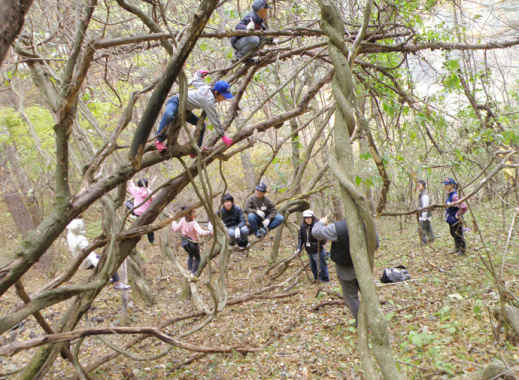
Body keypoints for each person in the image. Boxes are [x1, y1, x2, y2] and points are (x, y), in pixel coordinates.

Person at [155, 70, 234, 152]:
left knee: (202, 126)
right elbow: (215, 120)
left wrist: (199, 73)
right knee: (169, 115)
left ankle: (195, 149)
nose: (224, 98)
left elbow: (196, 80)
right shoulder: (208, 101)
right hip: (176, 102)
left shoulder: (206, 88)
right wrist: (223, 136)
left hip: (186, 111)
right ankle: (159, 141)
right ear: (216, 92)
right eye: (224, 96)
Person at [312, 216, 359, 326]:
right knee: (365, 295)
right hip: (364, 268)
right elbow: (376, 244)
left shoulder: (339, 228)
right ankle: (369, 320)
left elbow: (316, 232)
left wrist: (321, 222)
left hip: (346, 270)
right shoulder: (366, 224)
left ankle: (362, 323)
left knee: (351, 297)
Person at [66, 218, 130, 290]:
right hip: (88, 261)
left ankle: (107, 279)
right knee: (109, 262)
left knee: (101, 262)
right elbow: (90, 255)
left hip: (81, 262)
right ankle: (116, 283)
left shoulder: (70, 235)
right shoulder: (81, 240)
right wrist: (101, 266)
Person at [172, 208, 212, 274]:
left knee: (190, 255)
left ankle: (189, 271)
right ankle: (193, 273)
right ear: (190, 214)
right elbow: (201, 232)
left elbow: (175, 228)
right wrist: (209, 232)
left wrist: (173, 221)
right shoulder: (194, 223)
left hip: (184, 243)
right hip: (193, 243)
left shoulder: (182, 220)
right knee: (198, 258)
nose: (195, 214)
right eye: (194, 213)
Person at [295, 210, 329, 282]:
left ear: (312, 217)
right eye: (306, 218)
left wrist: (317, 244)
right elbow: (300, 238)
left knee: (322, 266)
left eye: (309, 218)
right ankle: (317, 279)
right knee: (313, 267)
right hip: (309, 251)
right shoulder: (303, 226)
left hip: (318, 250)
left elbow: (324, 239)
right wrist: (299, 248)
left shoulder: (317, 225)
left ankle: (325, 281)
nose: (308, 219)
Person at [443, 178, 468, 255]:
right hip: (451, 219)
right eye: (445, 184)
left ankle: (462, 250)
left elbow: (464, 207)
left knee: (459, 234)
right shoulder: (449, 195)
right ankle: (457, 248)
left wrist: (457, 215)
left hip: (456, 220)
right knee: (453, 233)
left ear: (452, 185)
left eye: (447, 184)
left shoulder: (454, 196)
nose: (445, 186)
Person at [127, 178, 154, 243]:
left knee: (127, 203)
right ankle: (151, 240)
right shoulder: (149, 192)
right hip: (147, 213)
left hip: (137, 212)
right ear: (147, 185)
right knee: (148, 226)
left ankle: (133, 215)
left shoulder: (136, 190)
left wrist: (131, 182)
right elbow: (154, 199)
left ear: (138, 184)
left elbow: (130, 188)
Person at [417, 180, 434, 245]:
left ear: (423, 186)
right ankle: (431, 239)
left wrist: (423, 217)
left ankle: (424, 242)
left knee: (421, 229)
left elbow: (425, 206)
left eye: (419, 185)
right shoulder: (421, 194)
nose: (418, 187)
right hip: (425, 215)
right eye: (417, 185)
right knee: (428, 228)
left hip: (425, 215)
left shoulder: (424, 195)